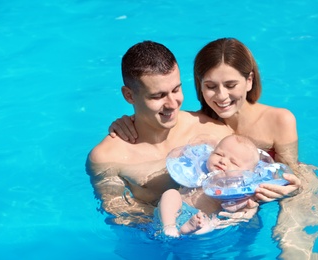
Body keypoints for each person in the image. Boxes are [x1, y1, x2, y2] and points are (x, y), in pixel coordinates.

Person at [109, 38, 318, 258]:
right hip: (229, 202)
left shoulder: (279, 120)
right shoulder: (206, 123)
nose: (221, 96)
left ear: (249, 80)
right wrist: (130, 120)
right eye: (210, 87)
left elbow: (292, 171)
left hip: (282, 190)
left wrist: (291, 188)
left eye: (231, 85)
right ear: (199, 85)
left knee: (289, 238)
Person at [87, 40, 259, 227]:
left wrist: (252, 204)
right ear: (129, 96)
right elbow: (117, 211)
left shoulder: (213, 131)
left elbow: (258, 174)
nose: (172, 104)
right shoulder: (107, 157)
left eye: (176, 90)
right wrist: (179, 219)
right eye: (158, 96)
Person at [158, 134, 260, 237]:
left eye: (233, 162)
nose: (222, 161)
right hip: (175, 209)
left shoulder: (238, 190)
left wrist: (244, 207)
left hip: (201, 218)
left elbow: (237, 209)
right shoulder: (198, 169)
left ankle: (188, 230)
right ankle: (169, 226)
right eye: (219, 154)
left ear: (246, 174)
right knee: (171, 193)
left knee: (212, 223)